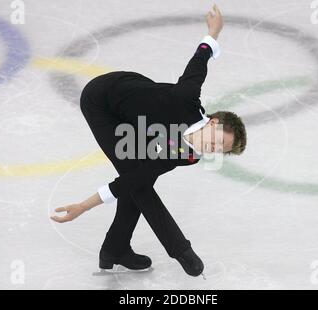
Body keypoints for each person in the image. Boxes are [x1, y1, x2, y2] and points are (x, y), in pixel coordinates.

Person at [50, 4, 246, 277]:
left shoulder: (183, 154)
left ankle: (115, 249)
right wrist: (214, 32)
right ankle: (178, 250)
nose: (212, 148)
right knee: (139, 183)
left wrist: (85, 204)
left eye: (219, 150)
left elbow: (135, 179)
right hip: (102, 101)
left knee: (141, 179)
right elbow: (199, 61)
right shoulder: (185, 98)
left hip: (137, 117)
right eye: (216, 140)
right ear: (213, 122)